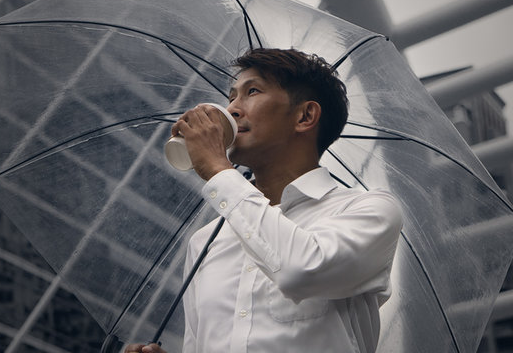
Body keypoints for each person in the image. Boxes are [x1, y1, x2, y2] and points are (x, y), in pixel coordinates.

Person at [125, 48, 402, 353]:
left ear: (305, 116)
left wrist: (218, 169)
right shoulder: (205, 242)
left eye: (252, 91)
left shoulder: (368, 210)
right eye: (232, 96)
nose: (231, 109)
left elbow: (302, 270)